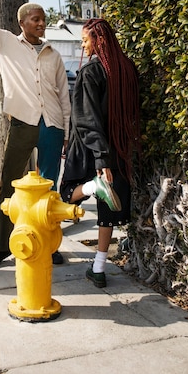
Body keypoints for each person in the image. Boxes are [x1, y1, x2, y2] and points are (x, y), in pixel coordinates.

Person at [0, 0, 71, 269]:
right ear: (22, 22)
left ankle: (49, 244)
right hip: (22, 124)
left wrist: (67, 132)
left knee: (50, 188)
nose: (41, 24)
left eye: (43, 20)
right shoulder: (6, 43)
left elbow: (63, 96)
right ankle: (2, 246)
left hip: (53, 126)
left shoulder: (53, 55)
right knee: (10, 185)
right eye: (36, 19)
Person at [60, 18, 140, 288]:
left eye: (85, 40)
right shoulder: (127, 68)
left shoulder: (92, 71)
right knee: (108, 213)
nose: (83, 45)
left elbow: (87, 119)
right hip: (119, 146)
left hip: (92, 147)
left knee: (68, 192)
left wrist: (99, 160)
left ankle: (94, 186)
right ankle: (98, 268)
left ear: (100, 40)